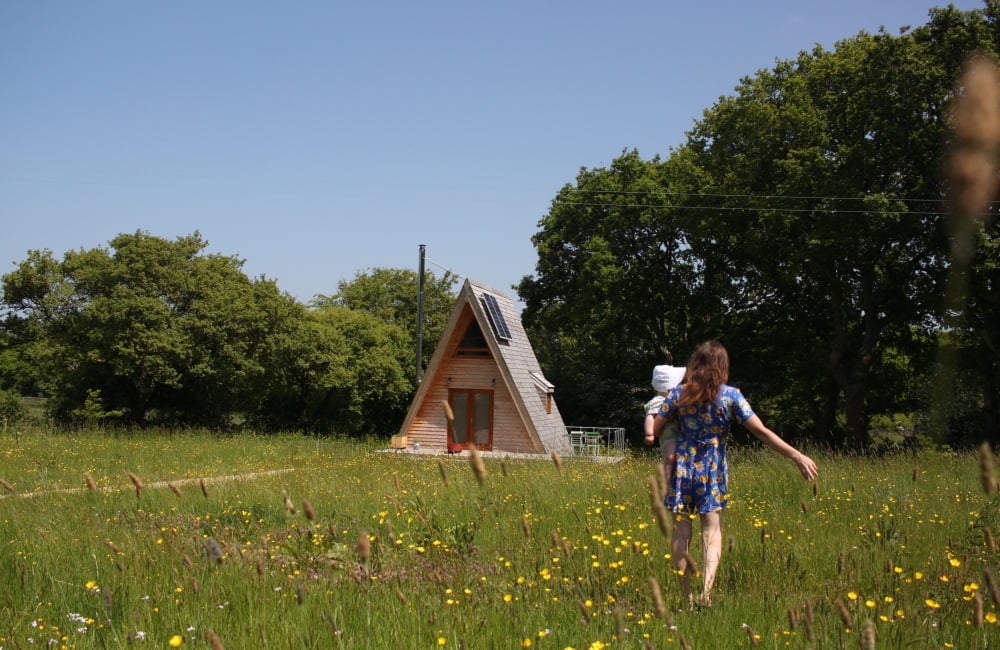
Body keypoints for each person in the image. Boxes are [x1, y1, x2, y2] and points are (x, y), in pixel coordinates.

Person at [651, 340, 818, 608]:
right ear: (722, 368)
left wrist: (671, 430)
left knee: (681, 532)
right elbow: (761, 432)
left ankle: (686, 598)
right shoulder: (731, 396)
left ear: (694, 365)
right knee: (712, 531)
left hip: (682, 470)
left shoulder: (678, 394)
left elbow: (657, 425)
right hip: (712, 471)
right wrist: (796, 455)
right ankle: (706, 592)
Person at [644, 362, 686, 496]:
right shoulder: (658, 400)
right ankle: (666, 485)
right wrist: (649, 433)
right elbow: (650, 416)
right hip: (669, 436)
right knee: (670, 457)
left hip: (678, 434)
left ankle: (674, 481)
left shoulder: (674, 398)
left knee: (677, 459)